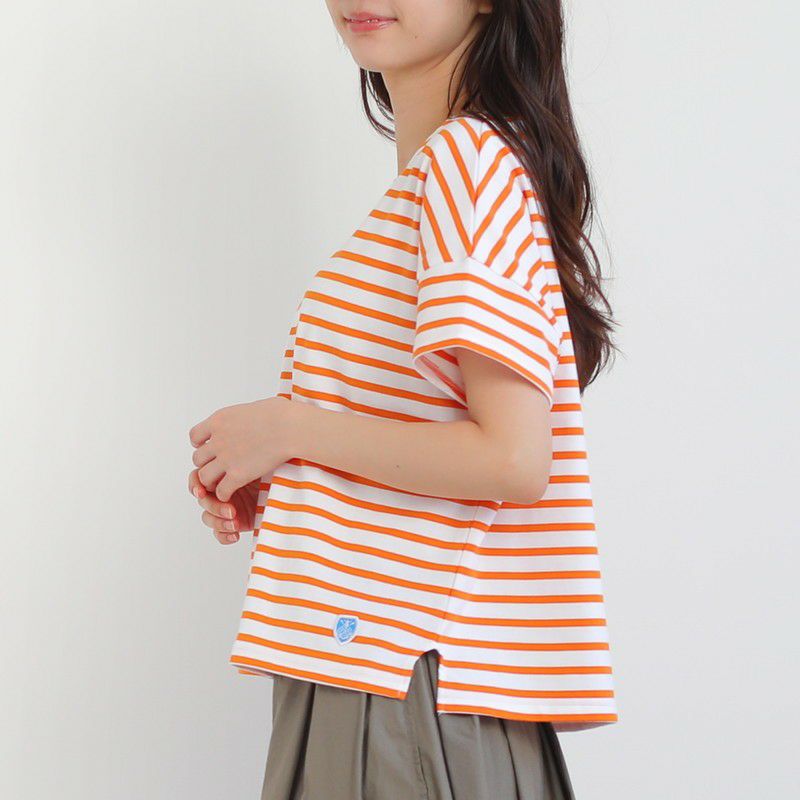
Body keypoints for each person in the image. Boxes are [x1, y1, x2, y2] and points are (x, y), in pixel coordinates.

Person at [187, 2, 619, 797]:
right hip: (377, 665)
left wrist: (290, 429)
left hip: (398, 674)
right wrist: (289, 475)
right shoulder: (452, 173)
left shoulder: (467, 164)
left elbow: (514, 459)